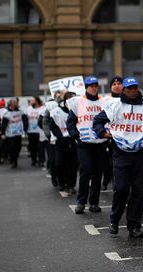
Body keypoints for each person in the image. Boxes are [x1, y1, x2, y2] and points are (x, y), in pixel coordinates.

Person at [93, 76, 143, 238]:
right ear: (124, 90)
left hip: (141, 153)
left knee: (139, 191)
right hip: (121, 153)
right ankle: (114, 219)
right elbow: (97, 121)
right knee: (121, 189)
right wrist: (103, 133)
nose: (133, 91)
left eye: (135, 88)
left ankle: (134, 226)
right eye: (129, 88)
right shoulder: (115, 105)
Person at [67, 76, 108, 214]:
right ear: (86, 87)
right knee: (86, 171)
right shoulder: (78, 102)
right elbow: (71, 122)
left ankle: (94, 202)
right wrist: (75, 136)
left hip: (100, 143)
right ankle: (81, 201)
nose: (94, 87)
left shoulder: (105, 102)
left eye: (96, 85)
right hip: (84, 143)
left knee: (97, 173)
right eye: (91, 85)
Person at [49, 91, 78, 193]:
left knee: (72, 165)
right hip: (61, 141)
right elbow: (52, 126)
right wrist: (60, 136)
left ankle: (71, 185)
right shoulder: (56, 111)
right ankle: (61, 182)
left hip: (73, 141)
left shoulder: (78, 112)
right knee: (59, 164)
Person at [100, 76, 123, 191]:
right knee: (108, 163)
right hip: (109, 137)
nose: (117, 85)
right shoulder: (105, 101)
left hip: (125, 137)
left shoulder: (128, 99)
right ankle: (107, 181)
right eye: (114, 84)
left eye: (119, 83)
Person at [0, 98, 27, 168]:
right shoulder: (6, 113)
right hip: (10, 134)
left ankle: (15, 158)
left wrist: (25, 128)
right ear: (11, 104)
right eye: (15, 102)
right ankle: (13, 161)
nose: (17, 103)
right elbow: (3, 124)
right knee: (12, 148)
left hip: (18, 133)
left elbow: (25, 119)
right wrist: (3, 133)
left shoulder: (20, 111)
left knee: (18, 147)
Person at [26, 96, 47, 167]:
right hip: (31, 131)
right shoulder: (29, 109)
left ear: (36, 101)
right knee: (32, 147)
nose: (30, 102)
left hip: (40, 131)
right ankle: (34, 160)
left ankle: (41, 160)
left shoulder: (43, 108)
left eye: (32, 100)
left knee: (40, 147)